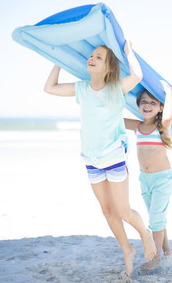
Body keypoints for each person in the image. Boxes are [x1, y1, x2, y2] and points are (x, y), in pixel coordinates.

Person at [43, 41, 156, 277]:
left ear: (108, 67)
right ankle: (127, 249)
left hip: (114, 156)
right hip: (91, 159)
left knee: (123, 211)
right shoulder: (82, 88)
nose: (92, 58)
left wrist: (128, 52)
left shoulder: (116, 88)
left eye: (99, 57)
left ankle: (145, 233)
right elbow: (49, 88)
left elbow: (137, 75)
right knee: (107, 210)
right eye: (92, 55)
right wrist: (57, 63)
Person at [124, 81, 172, 270]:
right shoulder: (138, 127)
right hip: (145, 180)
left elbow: (169, 115)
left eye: (153, 103)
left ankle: (155, 260)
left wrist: (169, 93)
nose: (147, 105)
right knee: (158, 219)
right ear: (138, 105)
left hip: (162, 179)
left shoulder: (161, 127)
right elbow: (116, 119)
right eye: (144, 102)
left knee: (155, 219)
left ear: (160, 108)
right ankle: (168, 252)